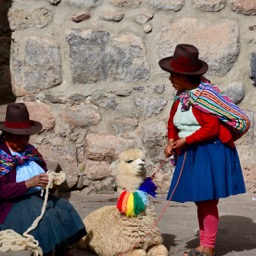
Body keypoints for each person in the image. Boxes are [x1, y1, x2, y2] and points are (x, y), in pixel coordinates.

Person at [159, 44, 250, 256]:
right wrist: (171, 140)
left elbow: (211, 129)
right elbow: (172, 122)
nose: (170, 79)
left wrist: (185, 141)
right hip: (192, 151)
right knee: (201, 199)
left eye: (172, 75)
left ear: (184, 76)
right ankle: (203, 245)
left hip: (210, 152)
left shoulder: (205, 98)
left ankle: (208, 247)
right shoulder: (182, 96)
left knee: (207, 200)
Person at [0, 103, 86, 256]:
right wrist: (27, 184)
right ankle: (47, 251)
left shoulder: (30, 150)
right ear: (7, 135)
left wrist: (50, 183)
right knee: (43, 214)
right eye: (18, 137)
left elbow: (43, 172)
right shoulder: (2, 156)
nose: (23, 142)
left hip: (36, 197)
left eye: (25, 137)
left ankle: (63, 246)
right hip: (10, 205)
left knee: (62, 206)